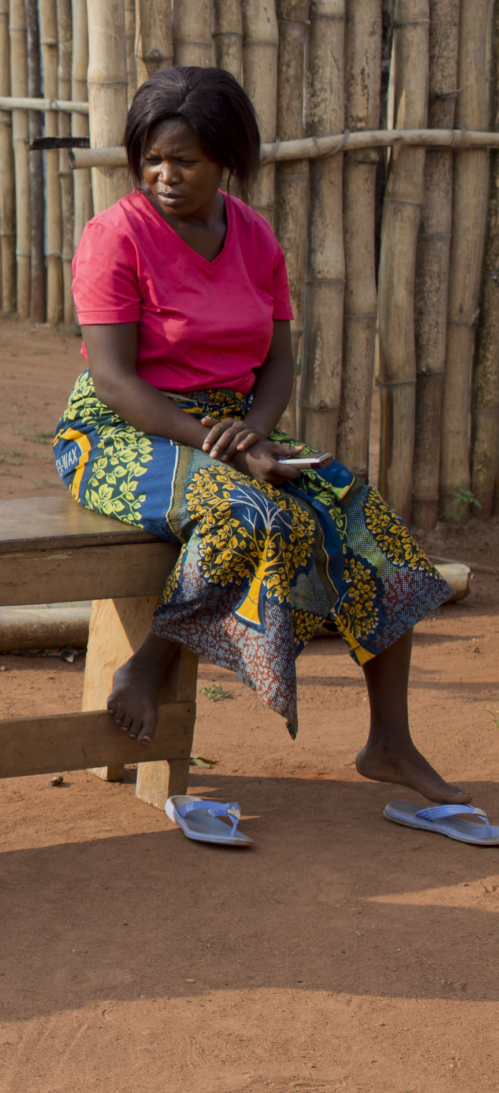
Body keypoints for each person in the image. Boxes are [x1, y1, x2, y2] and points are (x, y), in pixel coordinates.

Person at [57, 64, 466, 811]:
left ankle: (390, 742)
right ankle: (145, 668)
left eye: (185, 160)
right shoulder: (115, 234)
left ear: (226, 162)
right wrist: (232, 448)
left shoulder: (252, 234)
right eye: (151, 157)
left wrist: (257, 431)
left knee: (365, 515)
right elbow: (115, 379)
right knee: (245, 511)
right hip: (118, 429)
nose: (164, 174)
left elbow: (280, 359)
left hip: (228, 424)